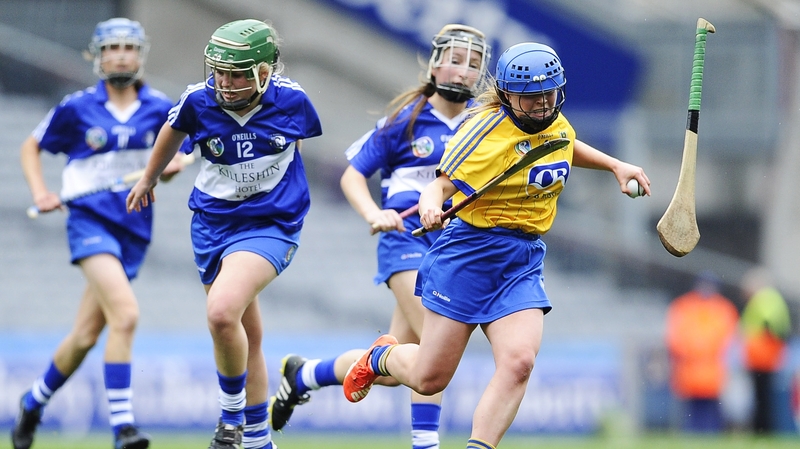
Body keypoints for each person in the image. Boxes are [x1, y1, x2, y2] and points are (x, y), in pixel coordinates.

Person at [340, 42, 651, 449]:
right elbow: (439, 185)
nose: (542, 105)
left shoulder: (553, 121)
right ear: (506, 96)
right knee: (429, 377)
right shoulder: (481, 134)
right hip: (468, 255)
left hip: (522, 260)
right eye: (530, 98)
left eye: (549, 95)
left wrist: (614, 164)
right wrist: (432, 208)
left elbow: (564, 144)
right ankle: (382, 355)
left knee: (519, 362)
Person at [267, 24, 491, 449]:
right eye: (456, 61)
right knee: (435, 347)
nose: (463, 72)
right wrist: (375, 211)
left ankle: (304, 374)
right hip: (405, 242)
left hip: (451, 249)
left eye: (474, 65)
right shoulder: (405, 119)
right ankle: (426, 445)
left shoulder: (484, 125)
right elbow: (353, 175)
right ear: (435, 63)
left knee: (390, 371)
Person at [126, 19, 322, 449]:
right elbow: (171, 134)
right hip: (212, 225)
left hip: (271, 225)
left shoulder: (292, 100)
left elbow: (295, 145)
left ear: (265, 72)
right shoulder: (198, 100)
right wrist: (150, 177)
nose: (224, 82)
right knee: (244, 334)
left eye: (236, 73)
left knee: (220, 313)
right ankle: (258, 441)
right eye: (219, 70)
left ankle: (230, 418)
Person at [11, 18, 187, 449]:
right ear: (97, 56)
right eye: (111, 48)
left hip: (134, 228)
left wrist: (169, 169)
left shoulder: (161, 107)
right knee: (125, 315)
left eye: (128, 47)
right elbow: (30, 146)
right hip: (89, 223)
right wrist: (42, 191)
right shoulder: (77, 107)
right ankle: (123, 427)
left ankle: (32, 402)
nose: (120, 55)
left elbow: (174, 160)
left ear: (140, 54)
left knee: (86, 336)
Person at [665, 271, 739, 433]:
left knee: (712, 412)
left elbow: (730, 340)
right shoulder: (684, 306)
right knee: (693, 414)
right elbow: (675, 339)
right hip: (690, 370)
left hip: (713, 371)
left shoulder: (723, 308)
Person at [740, 267, 792, 434]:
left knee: (762, 398)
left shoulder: (764, 298)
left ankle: (762, 430)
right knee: (764, 397)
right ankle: (763, 429)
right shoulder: (771, 298)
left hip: (763, 358)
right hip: (765, 357)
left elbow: (769, 325)